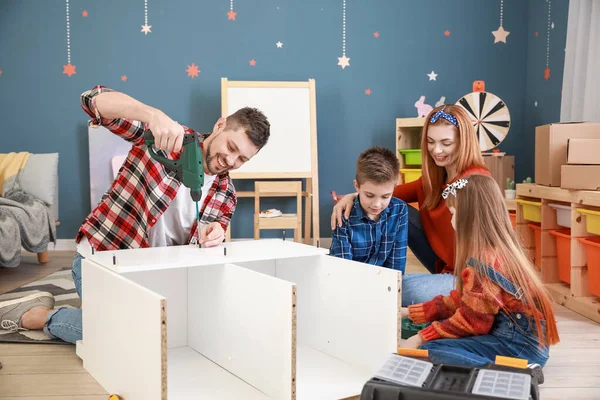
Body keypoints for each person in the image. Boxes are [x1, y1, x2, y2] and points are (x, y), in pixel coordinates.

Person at [0, 85, 270, 344]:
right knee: (130, 335)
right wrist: (152, 115)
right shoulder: (168, 138)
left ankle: (110, 317)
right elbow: (91, 99)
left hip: (154, 275)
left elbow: (213, 233)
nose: (231, 161)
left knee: (173, 333)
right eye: (232, 148)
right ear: (220, 125)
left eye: (242, 159)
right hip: (102, 259)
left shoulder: (226, 193)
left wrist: (216, 234)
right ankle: (40, 317)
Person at [331, 105, 490, 305]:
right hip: (443, 268)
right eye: (431, 142)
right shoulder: (432, 180)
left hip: (471, 279)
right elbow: (387, 194)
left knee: (391, 289)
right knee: (397, 209)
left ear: (463, 142)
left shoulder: (477, 182)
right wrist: (352, 196)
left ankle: (454, 299)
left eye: (446, 143)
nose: (437, 150)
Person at [401, 174, 559, 369]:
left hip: (519, 347)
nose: (451, 219)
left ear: (469, 217)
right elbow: (462, 300)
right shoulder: (497, 249)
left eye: (452, 213)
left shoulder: (485, 261)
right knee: (434, 332)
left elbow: (473, 321)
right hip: (519, 338)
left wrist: (420, 339)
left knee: (433, 349)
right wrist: (409, 312)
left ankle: (515, 370)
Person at [330, 146, 408, 273]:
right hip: (349, 282)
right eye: (369, 195)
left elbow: (397, 264)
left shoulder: (399, 210)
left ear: (394, 188)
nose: (377, 204)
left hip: (382, 283)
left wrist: (391, 288)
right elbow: (343, 269)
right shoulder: (344, 215)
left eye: (385, 196)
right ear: (357, 186)